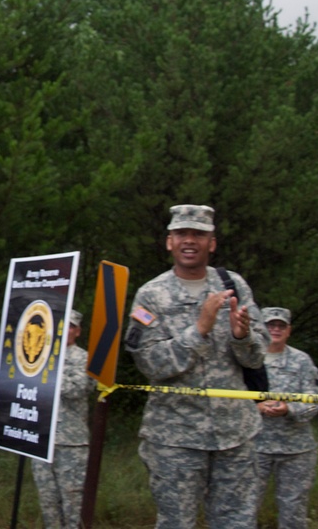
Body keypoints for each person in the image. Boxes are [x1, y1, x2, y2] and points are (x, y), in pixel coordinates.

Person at [124, 204, 270, 529]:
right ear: (169, 242)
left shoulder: (234, 285)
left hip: (236, 434)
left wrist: (242, 336)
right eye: (182, 234)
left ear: (212, 243)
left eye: (199, 234)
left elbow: (256, 359)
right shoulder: (151, 295)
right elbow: (149, 362)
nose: (190, 241)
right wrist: (200, 328)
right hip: (175, 438)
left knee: (238, 523)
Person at [253, 307, 318, 529]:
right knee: (243, 507)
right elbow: (228, 398)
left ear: (288, 330)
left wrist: (289, 409)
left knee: (293, 510)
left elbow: (314, 399)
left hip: (296, 448)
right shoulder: (248, 358)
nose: (275, 329)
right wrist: (255, 406)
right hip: (253, 446)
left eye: (280, 326)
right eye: (270, 325)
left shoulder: (301, 360)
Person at [31, 310, 96, 529]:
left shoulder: (85, 358)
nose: (63, 330)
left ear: (77, 331)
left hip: (71, 442)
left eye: (69, 326)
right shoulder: (37, 352)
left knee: (73, 501)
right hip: (40, 438)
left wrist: (47, 369)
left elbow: (77, 389)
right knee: (48, 500)